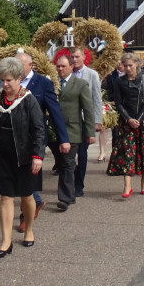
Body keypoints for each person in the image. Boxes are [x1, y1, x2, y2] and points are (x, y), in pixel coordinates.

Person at [0, 57, 45, 255]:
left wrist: (38, 156)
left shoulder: (28, 100)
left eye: (9, 80)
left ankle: (28, 230)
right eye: (2, 79)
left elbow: (38, 129)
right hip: (2, 157)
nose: (4, 84)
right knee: (5, 197)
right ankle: (6, 241)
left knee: (27, 196)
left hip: (25, 157)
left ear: (19, 78)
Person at [16, 51, 69, 231]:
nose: (16, 69)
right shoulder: (10, 83)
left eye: (20, 65)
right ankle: (36, 200)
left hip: (35, 138)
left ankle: (25, 216)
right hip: (14, 138)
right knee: (17, 176)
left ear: (30, 65)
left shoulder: (43, 83)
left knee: (28, 175)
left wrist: (63, 139)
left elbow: (54, 111)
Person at [107, 52, 144, 197]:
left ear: (137, 64)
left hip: (143, 120)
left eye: (130, 65)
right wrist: (128, 119)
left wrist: (140, 118)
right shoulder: (119, 81)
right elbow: (118, 102)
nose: (128, 68)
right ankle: (127, 185)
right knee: (127, 152)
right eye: (125, 65)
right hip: (126, 121)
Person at [53, 49, 95, 209]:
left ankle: (65, 198)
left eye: (63, 66)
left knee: (67, 162)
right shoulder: (52, 83)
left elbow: (88, 109)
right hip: (54, 129)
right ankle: (69, 192)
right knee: (62, 163)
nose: (60, 69)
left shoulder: (80, 84)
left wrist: (90, 132)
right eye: (58, 66)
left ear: (71, 66)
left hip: (72, 129)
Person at [66, 46, 102, 197]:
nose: (75, 60)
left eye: (77, 57)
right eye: (72, 57)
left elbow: (96, 98)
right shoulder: (67, 73)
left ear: (84, 57)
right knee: (69, 154)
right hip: (70, 120)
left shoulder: (92, 74)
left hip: (85, 119)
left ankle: (79, 185)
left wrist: (96, 121)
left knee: (82, 153)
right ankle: (71, 181)